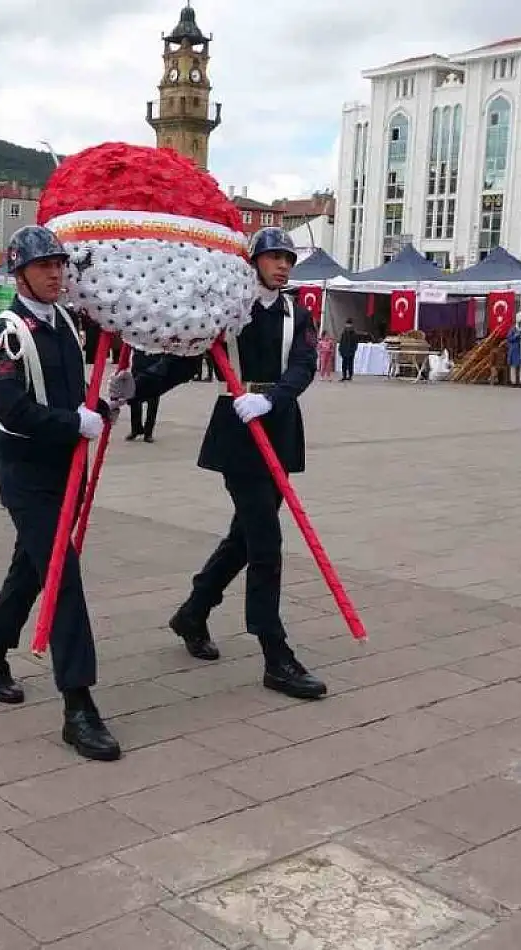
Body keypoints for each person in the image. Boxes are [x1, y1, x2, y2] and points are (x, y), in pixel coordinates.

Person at [122, 227, 328, 702]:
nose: (281, 266)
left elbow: (303, 365)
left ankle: (194, 610)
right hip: (238, 429)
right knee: (266, 542)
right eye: (273, 257)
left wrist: (274, 398)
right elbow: (181, 362)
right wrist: (137, 387)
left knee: (245, 537)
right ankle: (274, 652)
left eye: (288, 259)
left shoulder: (298, 313)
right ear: (253, 261)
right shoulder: (228, 309)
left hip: (276, 424)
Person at [0, 226, 120, 762]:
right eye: (44, 266)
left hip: (67, 467)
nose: (56, 273)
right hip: (27, 472)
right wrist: (72, 422)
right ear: (20, 274)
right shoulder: (8, 333)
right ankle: (78, 705)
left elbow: (73, 397)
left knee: (33, 568)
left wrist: (102, 407)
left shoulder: (67, 324)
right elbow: (9, 407)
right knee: (63, 576)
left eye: (60, 265)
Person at [126, 350, 161, 443]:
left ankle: (148, 432)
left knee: (153, 400)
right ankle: (136, 429)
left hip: (155, 365)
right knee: (134, 398)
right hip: (138, 365)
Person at [506, 319, 521, 386]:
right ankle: (513, 381)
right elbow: (509, 338)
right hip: (515, 350)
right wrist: (516, 336)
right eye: (520, 322)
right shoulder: (513, 329)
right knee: (513, 365)